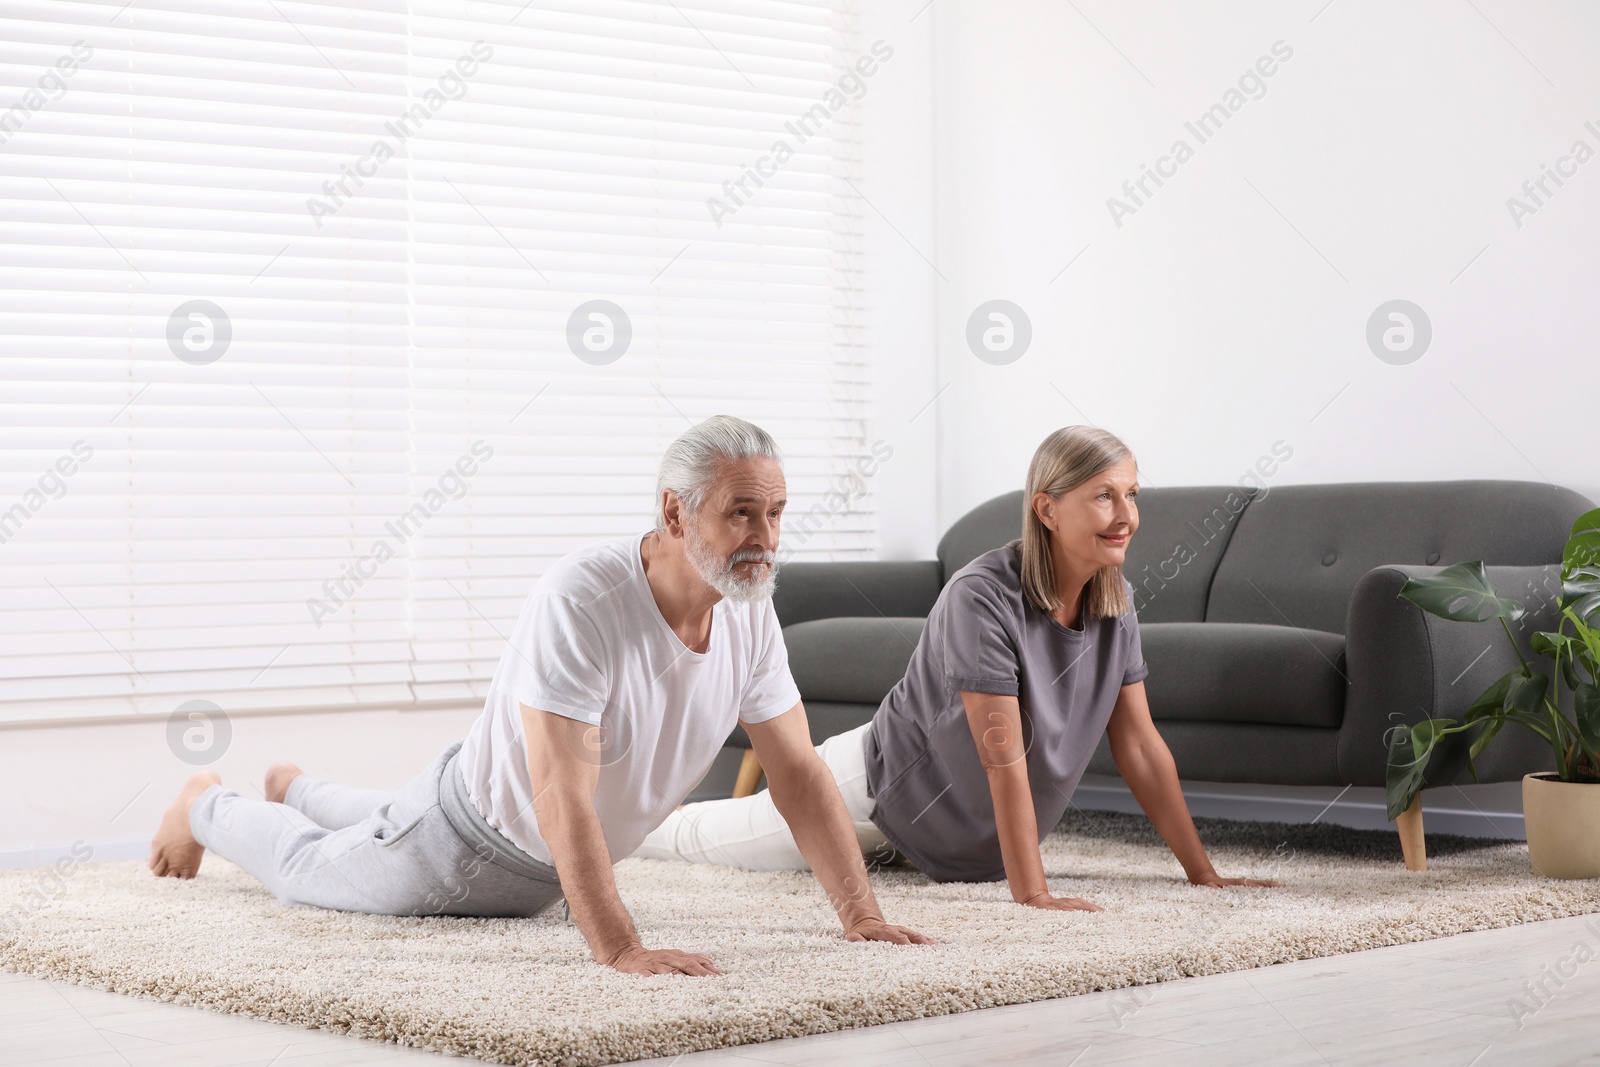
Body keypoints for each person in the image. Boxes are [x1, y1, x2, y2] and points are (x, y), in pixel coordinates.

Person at [149, 415, 932, 974]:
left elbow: (796, 771)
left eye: (775, 511)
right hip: (467, 846)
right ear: (674, 510)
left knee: (383, 817)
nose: (765, 534)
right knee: (307, 870)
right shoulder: (583, 599)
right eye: (741, 512)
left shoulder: (749, 611)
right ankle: (204, 804)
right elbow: (560, 793)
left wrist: (861, 914)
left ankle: (300, 785)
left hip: (512, 834)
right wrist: (621, 946)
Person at [635, 425, 1281, 909]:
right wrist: (1033, 895)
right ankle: (626, 823)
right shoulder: (982, 596)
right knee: (694, 838)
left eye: (1132, 494)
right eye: (1104, 496)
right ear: (1048, 510)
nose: (1128, 515)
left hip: (954, 847)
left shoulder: (1117, 603)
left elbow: (1140, 745)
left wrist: (1203, 871)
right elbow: (1003, 753)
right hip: (873, 791)